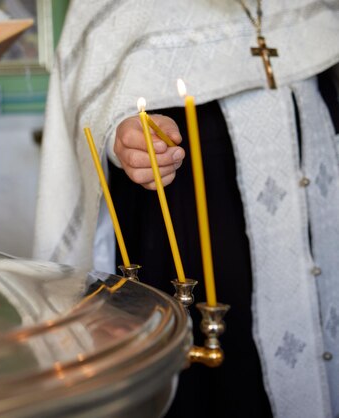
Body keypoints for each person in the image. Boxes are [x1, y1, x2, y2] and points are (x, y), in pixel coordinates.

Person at [33, 1, 339, 417]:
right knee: (217, 387)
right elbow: (96, 105)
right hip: (192, 231)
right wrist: (125, 139)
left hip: (323, 222)